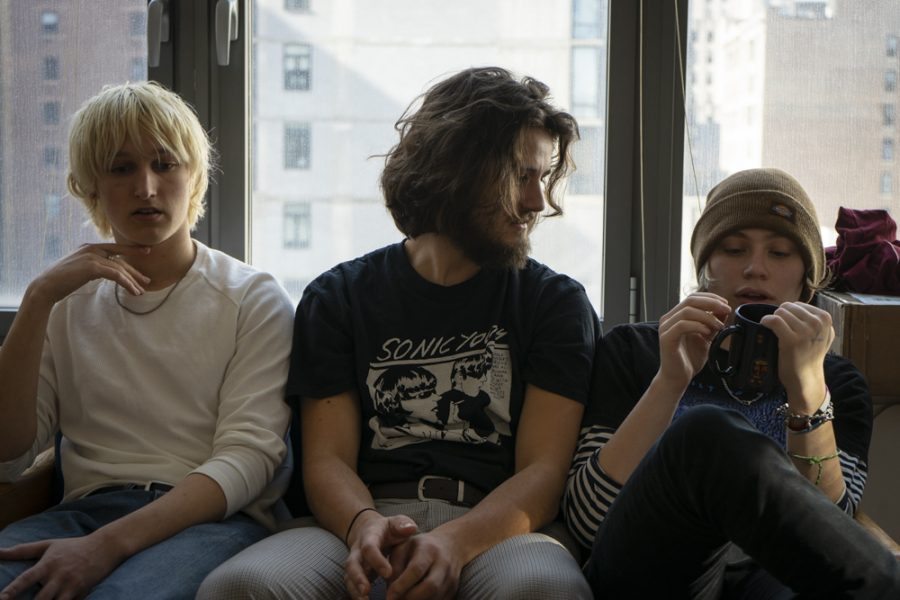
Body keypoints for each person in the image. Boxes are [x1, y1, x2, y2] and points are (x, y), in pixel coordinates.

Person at [198, 66, 599, 600]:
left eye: (543, 178)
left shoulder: (555, 303)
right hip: (359, 519)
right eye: (522, 177)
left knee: (545, 592)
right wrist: (362, 523)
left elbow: (544, 474)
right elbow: (326, 461)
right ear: (459, 169)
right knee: (241, 587)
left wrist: (456, 542)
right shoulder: (338, 297)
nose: (538, 202)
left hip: (498, 530)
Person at [0, 81, 294, 599]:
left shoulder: (252, 296)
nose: (146, 187)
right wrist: (38, 299)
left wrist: (109, 546)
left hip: (209, 522)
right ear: (89, 187)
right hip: (80, 514)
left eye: (165, 164)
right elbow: (10, 456)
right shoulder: (65, 301)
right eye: (121, 168)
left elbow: (249, 461)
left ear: (195, 177)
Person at [564, 167, 900, 598]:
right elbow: (588, 522)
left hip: (769, 580)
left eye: (779, 253)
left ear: (806, 279)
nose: (755, 268)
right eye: (734, 249)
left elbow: (829, 537)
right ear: (705, 266)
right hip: (653, 573)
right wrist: (670, 381)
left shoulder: (836, 379)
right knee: (706, 432)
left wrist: (806, 388)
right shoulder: (635, 350)